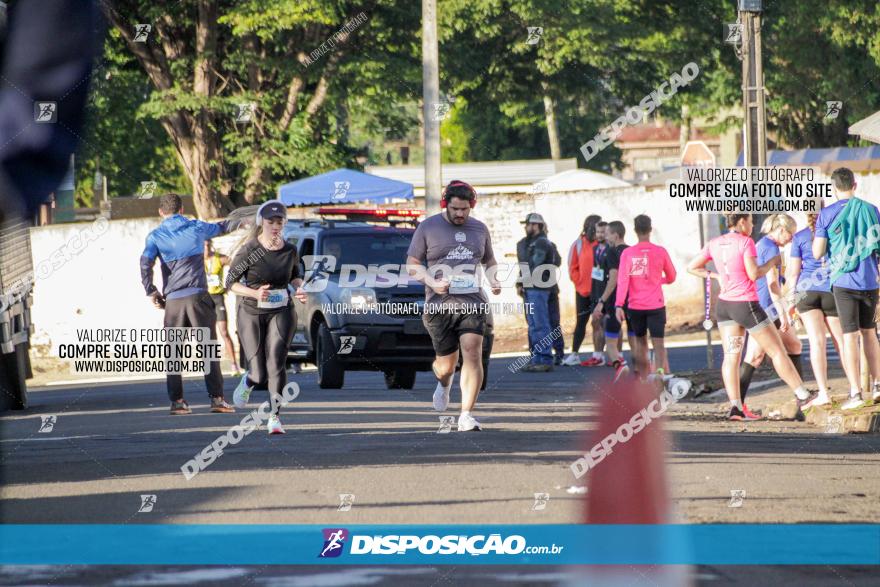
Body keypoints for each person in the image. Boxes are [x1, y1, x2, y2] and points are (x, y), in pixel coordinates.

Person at [687, 213, 817, 421]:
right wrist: (772, 262)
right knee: (776, 352)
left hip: (725, 306)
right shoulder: (745, 242)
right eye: (750, 221)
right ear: (741, 222)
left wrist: (716, 276)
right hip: (746, 305)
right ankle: (802, 395)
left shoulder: (714, 243)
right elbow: (754, 274)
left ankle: (736, 408)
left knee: (731, 357)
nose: (752, 225)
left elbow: (692, 267)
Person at [406, 180, 501, 431]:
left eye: (465, 209)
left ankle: (466, 414)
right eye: (455, 209)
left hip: (473, 301)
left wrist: (494, 280)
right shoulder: (428, 227)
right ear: (445, 204)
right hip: (439, 305)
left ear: (471, 207)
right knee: (446, 365)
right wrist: (430, 281)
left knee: (472, 352)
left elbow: (489, 259)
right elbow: (412, 263)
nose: (460, 214)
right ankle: (444, 384)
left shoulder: (480, 229)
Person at [139, 193, 237, 415]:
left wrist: (151, 290)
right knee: (207, 349)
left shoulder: (154, 236)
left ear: (161, 212)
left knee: (173, 352)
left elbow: (145, 264)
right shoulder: (196, 227)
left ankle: (177, 403)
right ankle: (217, 400)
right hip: (198, 297)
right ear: (182, 209)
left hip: (173, 300)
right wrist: (245, 220)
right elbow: (222, 227)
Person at [228, 200, 306, 434]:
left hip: (281, 310)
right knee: (259, 372)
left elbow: (295, 275)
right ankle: (248, 381)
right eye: (271, 221)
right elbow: (229, 283)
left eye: (279, 221)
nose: (275, 225)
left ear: (284, 223)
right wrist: (254, 292)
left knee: (276, 363)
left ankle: (274, 417)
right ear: (262, 222)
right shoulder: (250, 250)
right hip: (251, 311)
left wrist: (300, 288)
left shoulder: (290, 250)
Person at [813, 167, 880, 409]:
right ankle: (878, 384)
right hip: (870, 281)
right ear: (855, 184)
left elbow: (818, 251)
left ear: (833, 188)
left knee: (850, 337)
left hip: (843, 282)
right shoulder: (871, 210)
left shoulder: (826, 214)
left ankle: (855, 392)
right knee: (870, 333)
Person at [738, 214, 803, 417]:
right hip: (766, 308)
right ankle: (737, 406)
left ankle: (802, 404)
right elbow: (772, 284)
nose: (792, 238)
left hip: (767, 306)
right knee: (754, 357)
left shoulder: (763, 244)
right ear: (781, 230)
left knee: (794, 345)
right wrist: (783, 314)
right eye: (790, 233)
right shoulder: (770, 248)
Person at [788, 210, 844, 407]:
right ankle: (856, 390)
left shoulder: (799, 237)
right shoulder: (834, 232)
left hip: (806, 292)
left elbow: (793, 273)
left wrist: (790, 302)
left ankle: (823, 392)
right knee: (841, 343)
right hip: (831, 289)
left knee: (816, 343)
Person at [614, 214, 676, 377]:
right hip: (656, 305)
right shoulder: (660, 251)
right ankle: (660, 373)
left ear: (635, 231)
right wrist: (659, 281)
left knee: (641, 343)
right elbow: (672, 276)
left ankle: (644, 377)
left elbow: (623, 281)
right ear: (650, 229)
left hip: (635, 306)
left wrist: (619, 305)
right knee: (659, 343)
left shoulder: (628, 253)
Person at [515, 213, 559, 372]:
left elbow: (535, 265)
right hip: (530, 288)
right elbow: (525, 265)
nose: (526, 227)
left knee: (540, 324)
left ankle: (545, 359)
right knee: (533, 325)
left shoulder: (542, 243)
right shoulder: (527, 243)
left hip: (539, 288)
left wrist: (522, 281)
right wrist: (520, 283)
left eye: (528, 224)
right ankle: (537, 358)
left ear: (536, 225)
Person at [591, 220, 633, 381]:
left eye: (607, 233)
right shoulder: (632, 251)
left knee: (610, 340)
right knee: (637, 340)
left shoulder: (611, 252)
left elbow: (613, 279)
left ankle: (619, 365)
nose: (605, 237)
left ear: (615, 235)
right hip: (635, 302)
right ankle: (642, 373)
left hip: (617, 302)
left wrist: (601, 301)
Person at [564, 214, 601, 365]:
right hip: (582, 291)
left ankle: (598, 355)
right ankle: (574, 354)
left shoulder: (602, 244)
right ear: (591, 227)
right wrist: (578, 281)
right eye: (598, 226)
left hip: (598, 291)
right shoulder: (578, 244)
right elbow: (572, 266)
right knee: (581, 322)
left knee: (598, 322)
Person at [204, 240, 242, 374]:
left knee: (224, 332)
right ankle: (212, 367)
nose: (206, 249)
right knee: (207, 334)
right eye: (203, 246)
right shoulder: (196, 260)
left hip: (217, 298)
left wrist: (229, 284)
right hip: (204, 299)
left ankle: (234, 365)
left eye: (208, 245)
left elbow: (237, 265)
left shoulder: (218, 258)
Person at [582, 221, 609, 366]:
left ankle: (617, 356)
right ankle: (597, 355)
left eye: (602, 232)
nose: (599, 235)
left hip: (609, 292)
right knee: (595, 322)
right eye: (597, 232)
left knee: (611, 325)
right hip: (597, 291)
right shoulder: (595, 249)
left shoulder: (612, 250)